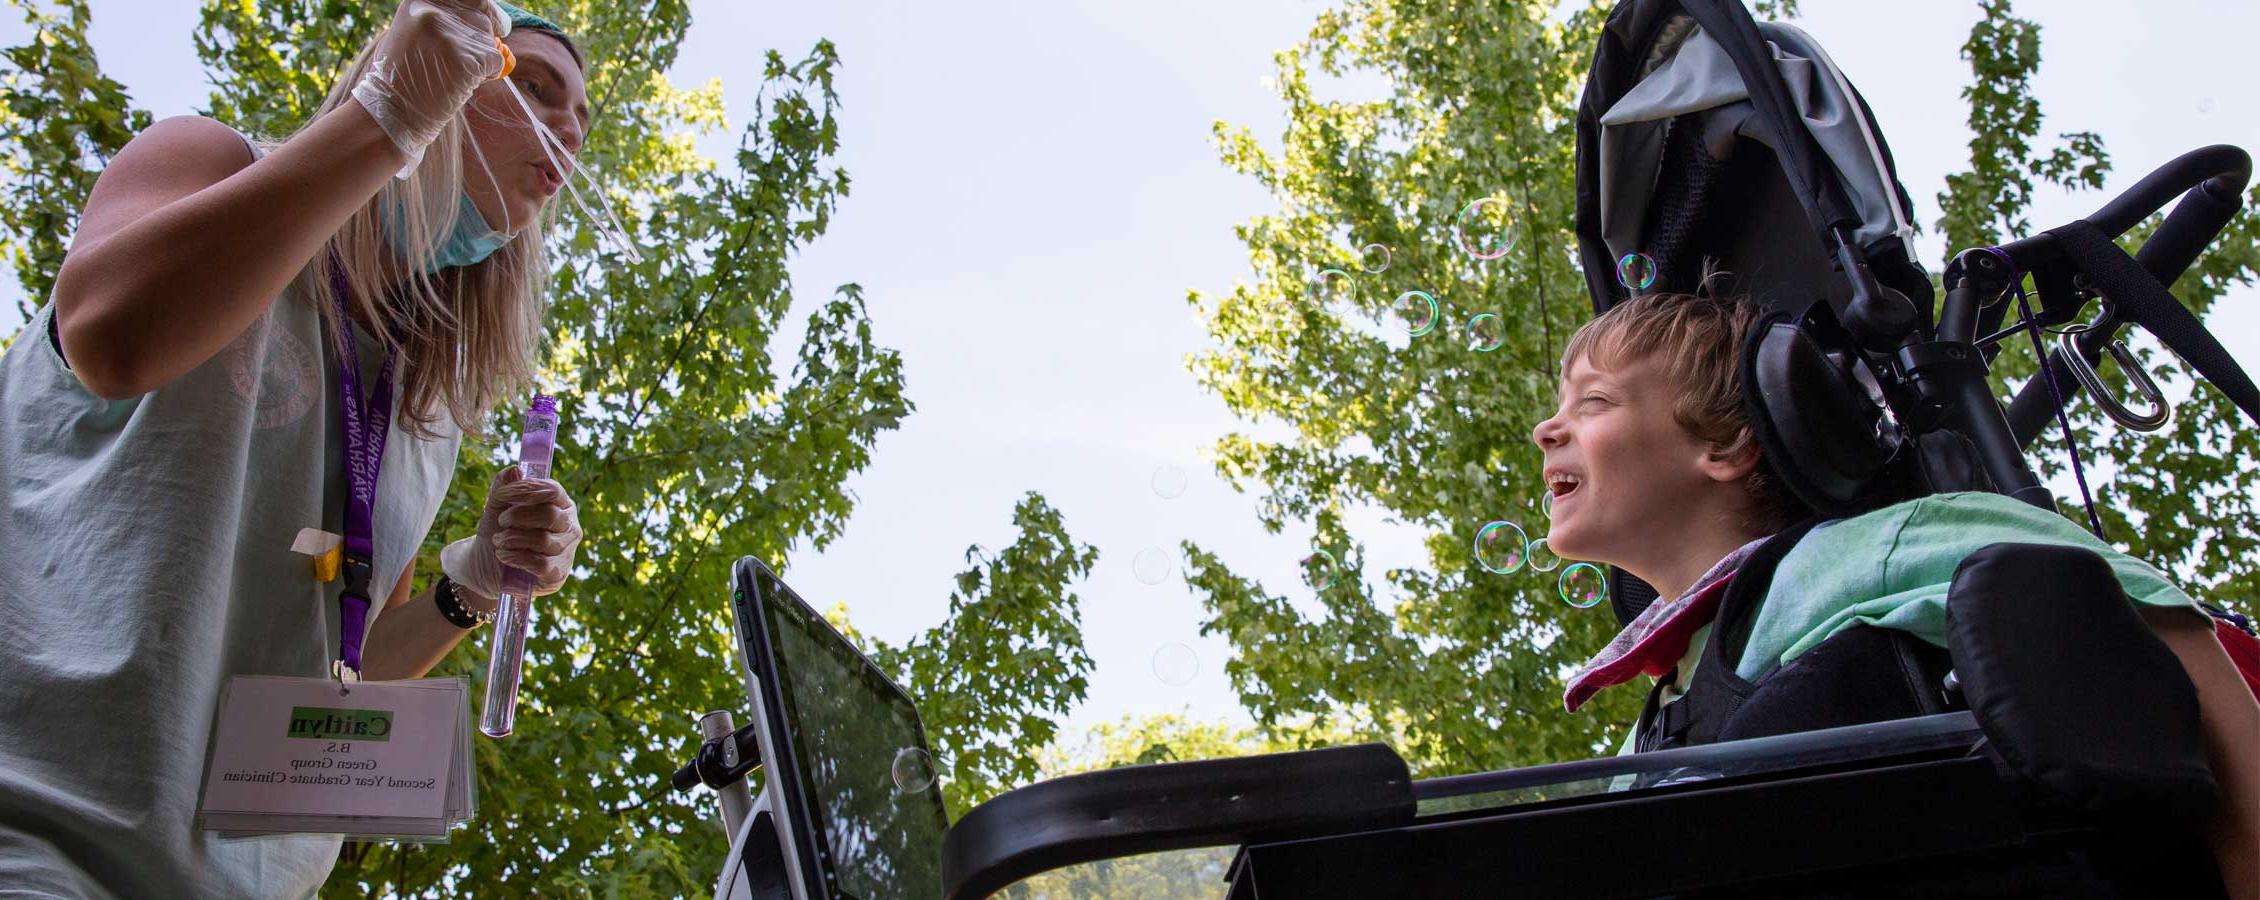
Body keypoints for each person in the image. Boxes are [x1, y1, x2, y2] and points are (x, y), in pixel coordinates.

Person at [0, 2, 594, 895]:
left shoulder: (421, 416)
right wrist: (384, 122)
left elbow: (348, 671)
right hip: (39, 830)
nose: (566, 137)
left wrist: (466, 585)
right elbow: (110, 335)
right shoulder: (204, 160)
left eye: (581, 125)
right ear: (446, 65)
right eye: (539, 89)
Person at [1532, 289, 2260, 896]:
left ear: (1724, 446)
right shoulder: (1651, 729)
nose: (1545, 429)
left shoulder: (1880, 548)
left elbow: (2168, 626)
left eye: (1593, 402)